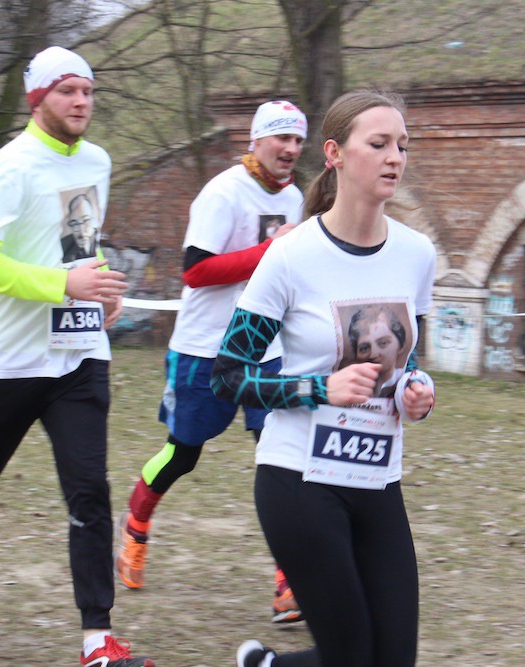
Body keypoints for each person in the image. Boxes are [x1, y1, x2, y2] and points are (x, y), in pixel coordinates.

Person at [0, 46, 154, 667]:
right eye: (68, 91)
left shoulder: (96, 161)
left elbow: (77, 238)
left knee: (89, 490)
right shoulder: (5, 168)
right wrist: (63, 284)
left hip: (76, 353)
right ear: (38, 99)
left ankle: (97, 640)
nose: (81, 102)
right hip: (7, 360)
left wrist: (98, 285)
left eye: (88, 91)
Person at [211, 89, 437, 667]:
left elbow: (408, 360)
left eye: (402, 145)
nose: (395, 157)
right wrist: (317, 389)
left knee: (393, 659)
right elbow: (228, 375)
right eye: (379, 144)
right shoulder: (292, 255)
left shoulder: (416, 254)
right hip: (299, 480)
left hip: (378, 478)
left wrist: (417, 390)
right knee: (352, 657)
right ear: (335, 154)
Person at [116, 100, 307, 623]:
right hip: (204, 349)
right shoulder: (223, 192)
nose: (291, 149)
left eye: (298, 141)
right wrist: (270, 251)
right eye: (282, 138)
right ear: (256, 141)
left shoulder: (295, 198)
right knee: (183, 454)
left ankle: (289, 580)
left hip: (266, 349)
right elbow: (195, 271)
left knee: (281, 458)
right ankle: (135, 526)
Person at [347, 303, 408, 396]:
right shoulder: (349, 386)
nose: (373, 354)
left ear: (400, 345)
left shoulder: (408, 382)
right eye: (364, 348)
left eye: (383, 343)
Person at [62, 191, 98, 262]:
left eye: (85, 220)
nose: (81, 230)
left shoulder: (100, 239)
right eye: (74, 223)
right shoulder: (64, 244)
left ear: (93, 219)